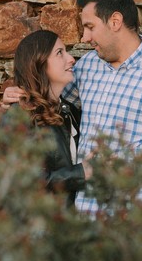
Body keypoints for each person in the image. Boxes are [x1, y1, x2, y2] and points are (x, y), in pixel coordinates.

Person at [5, 0, 142, 218]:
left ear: (115, 21)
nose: (85, 38)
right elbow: (49, 98)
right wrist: (20, 95)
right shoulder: (87, 66)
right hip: (80, 218)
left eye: (90, 27)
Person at [11, 29, 88, 207]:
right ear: (39, 64)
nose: (71, 59)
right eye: (60, 53)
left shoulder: (69, 111)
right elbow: (22, 180)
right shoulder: (19, 116)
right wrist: (81, 173)